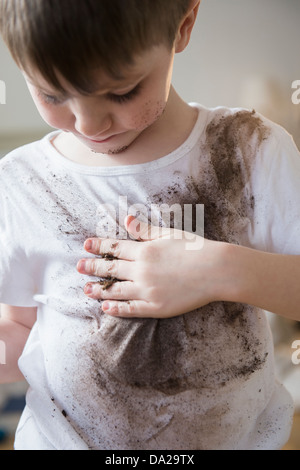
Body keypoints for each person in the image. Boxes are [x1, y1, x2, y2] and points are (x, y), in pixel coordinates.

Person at [0, 0, 299, 451]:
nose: (88, 123)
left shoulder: (249, 149)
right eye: (51, 94)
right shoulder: (21, 182)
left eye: (121, 92)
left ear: (184, 25)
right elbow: (18, 326)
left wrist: (217, 270)